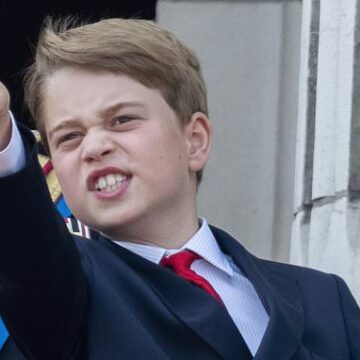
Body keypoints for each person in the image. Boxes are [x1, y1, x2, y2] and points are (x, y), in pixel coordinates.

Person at [0, 18, 359, 360]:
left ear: (195, 140)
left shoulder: (325, 299)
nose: (93, 147)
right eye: (70, 136)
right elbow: (27, 246)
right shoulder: (66, 293)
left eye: (122, 120)